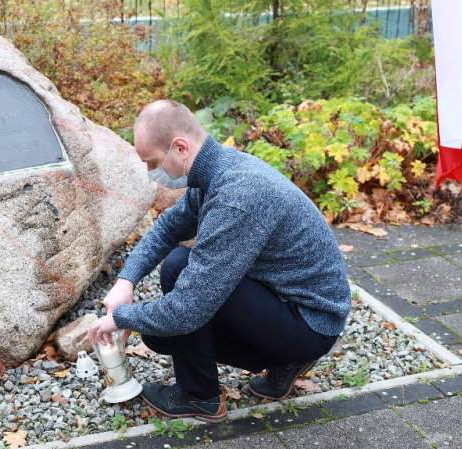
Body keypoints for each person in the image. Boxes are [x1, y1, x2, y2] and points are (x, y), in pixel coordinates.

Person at [87, 99, 351, 423]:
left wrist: (123, 318)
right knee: (159, 334)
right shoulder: (217, 171)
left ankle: (200, 396)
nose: (150, 173)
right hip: (290, 305)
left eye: (152, 162)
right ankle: (284, 364)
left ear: (180, 147)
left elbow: (186, 310)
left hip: (310, 322)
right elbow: (169, 227)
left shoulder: (237, 197)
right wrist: (125, 281)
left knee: (178, 277)